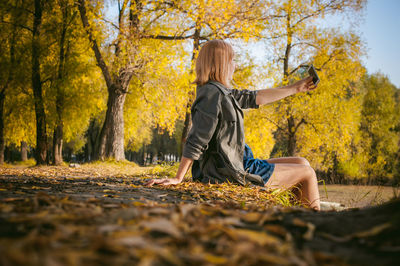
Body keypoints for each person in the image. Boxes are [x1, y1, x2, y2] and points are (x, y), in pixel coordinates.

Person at [146, 40, 320, 211]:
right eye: (232, 61)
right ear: (221, 64)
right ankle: (314, 225)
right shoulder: (212, 95)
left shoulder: (221, 92)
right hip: (229, 172)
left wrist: (296, 88)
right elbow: (197, 139)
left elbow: (255, 97)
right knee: (308, 173)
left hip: (237, 162)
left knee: (301, 162)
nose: (235, 66)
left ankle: (295, 214)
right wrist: (178, 178)